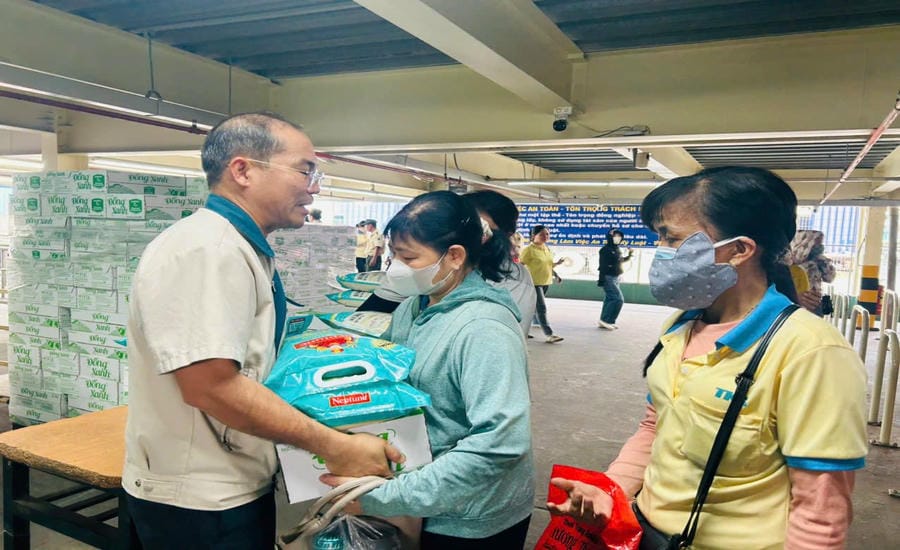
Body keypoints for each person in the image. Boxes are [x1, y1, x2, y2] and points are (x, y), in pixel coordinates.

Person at [547, 167, 867, 550]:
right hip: (649, 535)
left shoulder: (811, 352)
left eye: (672, 238)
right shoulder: (682, 325)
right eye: (660, 237)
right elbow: (656, 427)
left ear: (740, 250)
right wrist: (612, 490)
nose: (661, 251)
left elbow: (820, 512)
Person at [122, 112, 401, 549]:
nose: (315, 186)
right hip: (201, 498)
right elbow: (210, 387)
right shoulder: (209, 251)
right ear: (243, 170)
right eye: (305, 170)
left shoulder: (236, 246)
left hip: (226, 480)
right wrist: (333, 445)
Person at [323, 191, 534, 548]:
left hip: (472, 518)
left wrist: (384, 496)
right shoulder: (414, 307)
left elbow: (501, 443)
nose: (396, 268)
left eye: (408, 257)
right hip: (421, 499)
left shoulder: (483, 329)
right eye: (393, 255)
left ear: (454, 256)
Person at [464, 190, 537, 338]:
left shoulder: (513, 279)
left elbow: (495, 344)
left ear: (506, 235)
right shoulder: (437, 265)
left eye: (481, 229)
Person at [520, 224, 565, 343]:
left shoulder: (546, 249)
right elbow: (520, 265)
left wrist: (556, 275)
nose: (545, 236)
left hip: (545, 282)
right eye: (542, 234)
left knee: (531, 308)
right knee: (541, 308)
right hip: (533, 283)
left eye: (547, 234)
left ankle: (523, 330)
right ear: (533, 236)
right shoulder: (529, 250)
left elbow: (548, 265)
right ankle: (549, 334)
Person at [788, 229, 836, 315]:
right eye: (816, 243)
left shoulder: (819, 260)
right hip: (795, 303)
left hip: (814, 302)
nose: (819, 247)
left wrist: (823, 261)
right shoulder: (788, 261)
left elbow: (830, 277)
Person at [597, 229, 632, 330]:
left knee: (609, 299)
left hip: (616, 277)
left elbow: (620, 260)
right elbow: (603, 266)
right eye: (615, 236)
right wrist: (601, 280)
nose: (618, 238)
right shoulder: (605, 250)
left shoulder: (617, 249)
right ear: (610, 237)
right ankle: (606, 320)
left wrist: (630, 255)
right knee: (618, 299)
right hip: (608, 277)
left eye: (619, 236)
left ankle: (605, 320)